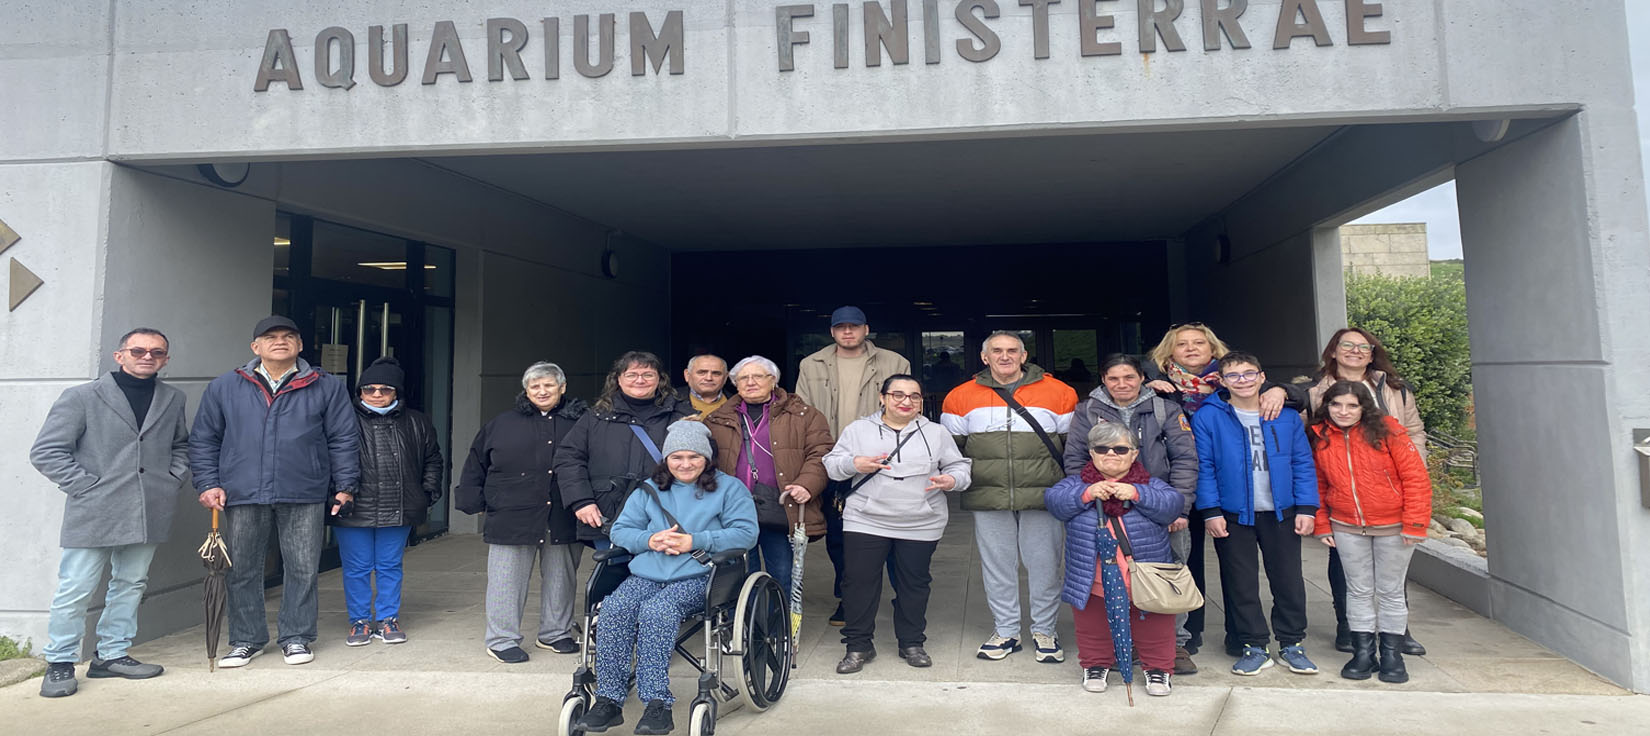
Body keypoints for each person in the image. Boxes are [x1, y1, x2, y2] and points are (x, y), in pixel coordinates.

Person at [190, 316, 359, 669]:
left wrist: (344, 486)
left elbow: (343, 438)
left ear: (299, 345)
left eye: (288, 336)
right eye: (270, 337)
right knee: (243, 569)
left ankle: (296, 637)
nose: (279, 341)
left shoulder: (326, 386)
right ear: (255, 347)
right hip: (242, 490)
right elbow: (205, 439)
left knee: (302, 567)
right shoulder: (225, 386)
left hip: (304, 489)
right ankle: (246, 640)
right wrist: (208, 483)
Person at [29, 328, 190, 698]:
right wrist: (87, 486)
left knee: (131, 584)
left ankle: (112, 654)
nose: (146, 356)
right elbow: (47, 451)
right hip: (94, 509)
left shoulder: (172, 398)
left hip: (149, 507)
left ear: (166, 359)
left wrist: (172, 478)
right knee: (75, 588)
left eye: (156, 352)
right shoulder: (82, 396)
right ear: (120, 355)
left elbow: (181, 445)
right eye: (138, 350)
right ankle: (60, 662)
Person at [577, 421, 758, 736]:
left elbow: (746, 533)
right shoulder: (649, 488)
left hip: (700, 574)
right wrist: (650, 540)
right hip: (648, 573)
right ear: (666, 459)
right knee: (614, 610)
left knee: (657, 612)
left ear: (707, 458)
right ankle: (609, 698)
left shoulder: (729, 488)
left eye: (693, 457)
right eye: (677, 457)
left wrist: (695, 541)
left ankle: (656, 702)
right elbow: (621, 530)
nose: (685, 464)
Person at [1141, 321, 1305, 657]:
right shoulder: (1156, 386)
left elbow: (1287, 393)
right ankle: (1191, 630)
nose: (1190, 348)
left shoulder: (1235, 379)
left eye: (1198, 342)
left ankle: (1240, 636)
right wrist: (1148, 383)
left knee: (1236, 566)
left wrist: (1284, 390)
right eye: (1182, 343)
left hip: (1228, 487)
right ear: (1168, 352)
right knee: (1187, 561)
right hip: (1179, 485)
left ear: (1213, 348)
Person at [940, 331, 1077, 663]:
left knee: (1044, 565)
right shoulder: (959, 397)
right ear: (984, 358)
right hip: (988, 493)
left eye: (1012, 350)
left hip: (1044, 493)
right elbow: (951, 451)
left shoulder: (1060, 392)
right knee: (997, 566)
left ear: (1024, 355)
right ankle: (1006, 631)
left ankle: (1045, 630)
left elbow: (1073, 448)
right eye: (997, 351)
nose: (1005, 356)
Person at [1062, 353, 1200, 675]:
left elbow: (1184, 460)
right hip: (1104, 509)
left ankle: (1174, 643)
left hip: (1158, 507)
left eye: (1129, 377)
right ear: (1103, 380)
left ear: (1141, 378)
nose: (1122, 384)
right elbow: (1075, 460)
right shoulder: (1087, 411)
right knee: (1108, 578)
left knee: (1167, 577)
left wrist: (1180, 508)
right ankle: (1121, 642)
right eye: (1113, 379)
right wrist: (1089, 501)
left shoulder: (1165, 408)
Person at [824, 375, 971, 673]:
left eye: (914, 397)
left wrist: (952, 480)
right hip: (865, 519)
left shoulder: (937, 433)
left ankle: (912, 642)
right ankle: (858, 645)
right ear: (883, 398)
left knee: (914, 584)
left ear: (921, 401)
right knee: (859, 583)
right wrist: (855, 464)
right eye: (898, 395)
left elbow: (959, 466)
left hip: (921, 521)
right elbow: (831, 464)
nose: (906, 402)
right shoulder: (858, 430)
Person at [1191, 352, 1320, 677]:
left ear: (1262, 377)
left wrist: (1307, 507)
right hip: (1234, 515)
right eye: (1233, 376)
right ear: (1222, 381)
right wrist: (1210, 511)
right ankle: (1254, 645)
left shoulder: (1286, 416)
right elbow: (1203, 467)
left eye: (1249, 374)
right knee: (1241, 583)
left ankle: (1292, 643)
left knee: (1288, 580)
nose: (1242, 381)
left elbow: (1303, 463)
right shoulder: (1208, 417)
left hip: (1282, 512)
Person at [453, 362, 589, 663]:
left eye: (548, 385)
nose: (542, 391)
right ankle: (502, 639)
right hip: (511, 511)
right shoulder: (500, 423)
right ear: (526, 390)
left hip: (562, 512)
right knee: (506, 579)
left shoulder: (582, 422)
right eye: (534, 386)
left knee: (561, 576)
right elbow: (476, 462)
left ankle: (556, 632)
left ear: (562, 387)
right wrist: (472, 500)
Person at [1306, 327, 1429, 657]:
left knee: (1391, 572)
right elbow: (1313, 445)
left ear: (1373, 354)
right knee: (1346, 569)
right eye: (1347, 345)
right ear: (1333, 350)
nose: (1356, 351)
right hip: (1345, 497)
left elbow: (1415, 430)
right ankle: (1350, 629)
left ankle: (1396, 633)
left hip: (1390, 488)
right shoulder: (1315, 390)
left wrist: (1411, 467)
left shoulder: (1395, 388)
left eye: (1364, 347)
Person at [1047, 422, 1184, 697]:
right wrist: (1086, 494)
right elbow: (1054, 501)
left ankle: (1158, 668)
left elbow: (1172, 505)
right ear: (1092, 453)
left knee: (1154, 624)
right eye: (1102, 448)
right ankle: (1095, 664)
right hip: (1092, 575)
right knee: (1092, 624)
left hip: (1145, 576)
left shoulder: (1150, 484)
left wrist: (1137, 493)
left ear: (1134, 454)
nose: (1111, 454)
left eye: (1120, 449)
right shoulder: (1076, 483)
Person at [794, 305, 911, 626]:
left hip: (880, 460)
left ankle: (906, 600)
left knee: (894, 533)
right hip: (832, 459)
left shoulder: (894, 363)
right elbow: (802, 413)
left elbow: (906, 406)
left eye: (854, 326)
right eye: (841, 327)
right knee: (839, 536)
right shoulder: (811, 364)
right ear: (832, 332)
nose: (848, 332)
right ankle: (849, 598)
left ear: (866, 330)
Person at [332, 357, 444, 647]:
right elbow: (326, 460)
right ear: (360, 392)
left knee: (389, 565)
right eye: (369, 389)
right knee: (356, 567)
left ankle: (387, 620)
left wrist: (428, 493)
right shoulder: (341, 420)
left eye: (385, 389)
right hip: (354, 508)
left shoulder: (418, 421)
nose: (377, 394)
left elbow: (433, 460)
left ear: (397, 392)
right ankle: (359, 621)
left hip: (399, 506)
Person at [705, 355, 832, 594]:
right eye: (743, 378)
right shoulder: (717, 419)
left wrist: (807, 485)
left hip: (780, 505)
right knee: (739, 573)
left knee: (781, 572)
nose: (750, 382)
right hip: (733, 509)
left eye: (757, 376)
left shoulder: (804, 415)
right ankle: (745, 625)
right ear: (735, 384)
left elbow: (821, 452)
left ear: (773, 380)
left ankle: (776, 624)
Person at [555, 351, 694, 547]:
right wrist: (581, 501)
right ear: (618, 379)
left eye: (648, 374)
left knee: (663, 573)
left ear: (660, 379)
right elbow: (569, 459)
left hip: (668, 513)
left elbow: (703, 460)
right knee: (612, 575)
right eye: (631, 375)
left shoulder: (682, 414)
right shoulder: (596, 416)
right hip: (609, 514)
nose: (640, 380)